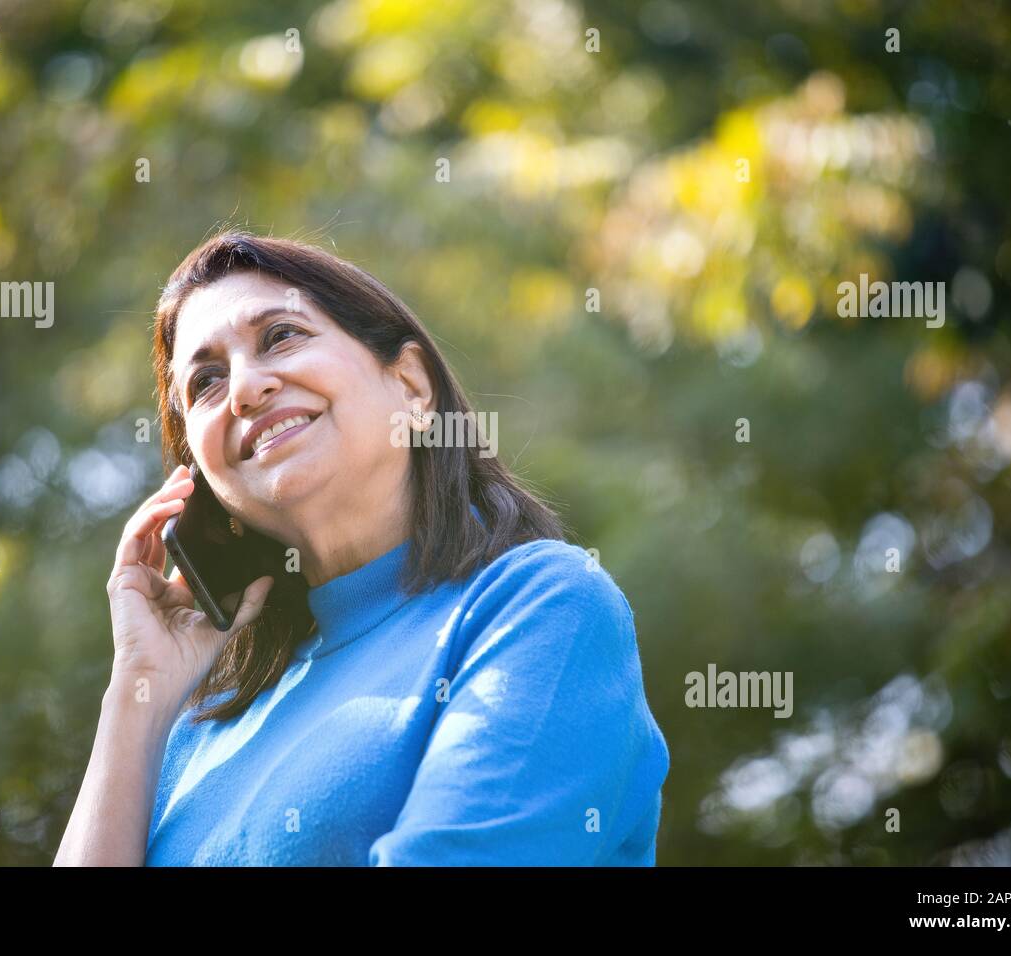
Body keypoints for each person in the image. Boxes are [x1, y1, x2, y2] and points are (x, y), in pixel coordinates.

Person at [54, 229, 669, 866]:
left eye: (281, 336)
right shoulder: (196, 735)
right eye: (205, 382)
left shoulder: (540, 607)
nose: (244, 388)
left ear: (410, 385)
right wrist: (139, 692)